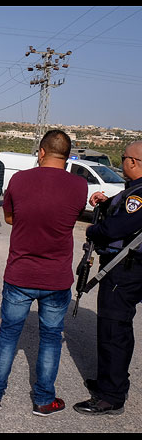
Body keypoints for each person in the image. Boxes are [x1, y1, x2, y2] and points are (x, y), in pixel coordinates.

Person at [0, 130, 88, 416]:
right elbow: (69, 218)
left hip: (20, 274)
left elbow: (10, 218)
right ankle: (43, 400)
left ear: (41, 152)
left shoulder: (19, 180)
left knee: (8, 335)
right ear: (67, 155)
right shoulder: (79, 186)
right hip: (56, 278)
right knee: (51, 338)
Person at [73, 141, 142, 416]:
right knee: (116, 328)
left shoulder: (139, 194)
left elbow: (121, 226)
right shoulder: (133, 191)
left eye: (123, 158)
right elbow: (125, 212)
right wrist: (109, 202)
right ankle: (108, 382)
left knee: (114, 331)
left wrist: (93, 230)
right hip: (126, 267)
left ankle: (110, 396)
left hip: (125, 269)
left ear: (134, 162)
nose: (122, 162)